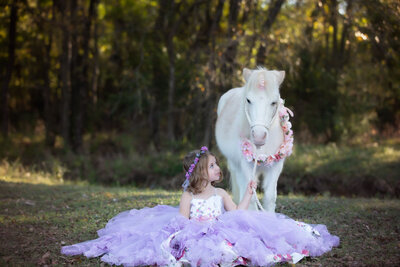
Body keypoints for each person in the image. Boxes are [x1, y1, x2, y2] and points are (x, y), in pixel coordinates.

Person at [61, 146, 339, 266]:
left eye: (218, 164)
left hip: (221, 229)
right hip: (195, 232)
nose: (218, 168)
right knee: (194, 250)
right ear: (200, 173)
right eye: (213, 165)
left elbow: (238, 214)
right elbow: (181, 221)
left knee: (236, 244)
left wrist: (248, 193)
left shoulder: (220, 194)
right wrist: (194, 232)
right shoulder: (189, 196)